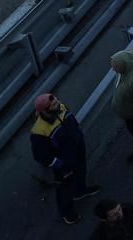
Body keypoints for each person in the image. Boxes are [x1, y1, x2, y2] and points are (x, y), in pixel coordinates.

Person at [29, 93, 100, 225]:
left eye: (56, 100)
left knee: (81, 171)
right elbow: (40, 155)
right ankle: (66, 211)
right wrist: (58, 164)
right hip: (63, 163)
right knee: (65, 188)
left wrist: (79, 135)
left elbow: (72, 121)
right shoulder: (39, 131)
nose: (58, 103)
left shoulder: (61, 107)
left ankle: (80, 191)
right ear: (45, 110)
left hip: (77, 150)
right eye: (54, 104)